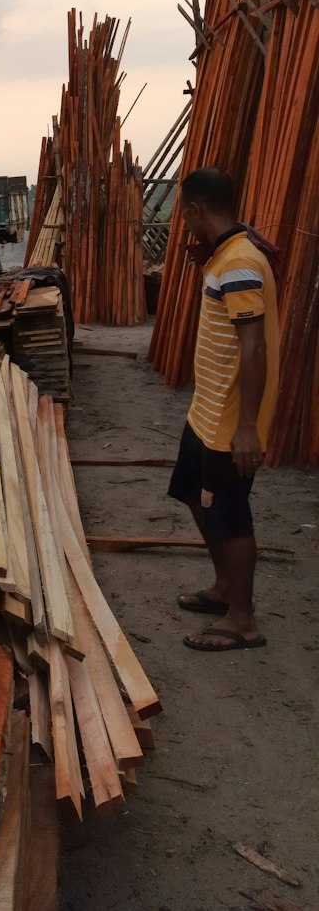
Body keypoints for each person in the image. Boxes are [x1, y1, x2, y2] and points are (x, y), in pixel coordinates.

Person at [167, 167, 279, 652]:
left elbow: (253, 349)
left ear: (195, 210)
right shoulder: (224, 256)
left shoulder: (240, 264)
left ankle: (242, 620)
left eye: (183, 213)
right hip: (205, 412)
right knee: (195, 495)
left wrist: (247, 429)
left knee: (231, 516)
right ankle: (223, 588)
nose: (182, 223)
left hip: (230, 421)